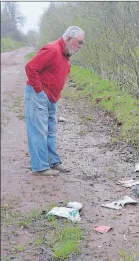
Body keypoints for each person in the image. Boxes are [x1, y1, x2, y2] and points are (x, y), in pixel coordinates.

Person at [24, 26, 85, 176]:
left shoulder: (65, 54)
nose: (80, 47)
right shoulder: (52, 49)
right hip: (38, 95)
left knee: (51, 131)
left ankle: (52, 162)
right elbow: (30, 67)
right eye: (79, 42)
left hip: (51, 97)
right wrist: (40, 91)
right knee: (38, 131)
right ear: (69, 39)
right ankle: (40, 167)